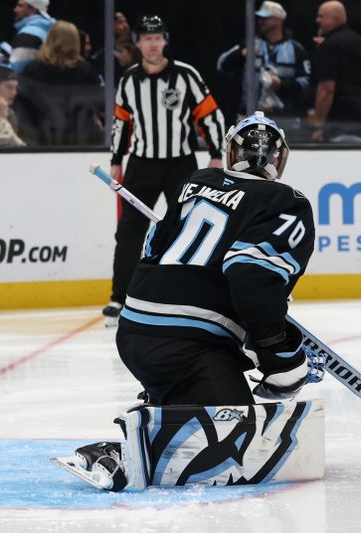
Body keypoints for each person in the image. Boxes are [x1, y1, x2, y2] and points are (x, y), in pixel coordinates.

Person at [67, 112, 315, 490]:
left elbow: (154, 247)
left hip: (135, 332)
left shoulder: (198, 181)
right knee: (236, 446)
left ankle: (160, 404)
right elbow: (251, 276)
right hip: (189, 346)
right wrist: (277, 356)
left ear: (232, 152)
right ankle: (129, 452)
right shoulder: (286, 200)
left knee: (219, 410)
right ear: (279, 158)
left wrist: (244, 330)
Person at [103, 14, 226, 324]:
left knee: (186, 229)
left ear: (165, 41)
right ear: (138, 43)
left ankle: (185, 293)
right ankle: (120, 297)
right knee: (130, 231)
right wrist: (117, 159)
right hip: (141, 164)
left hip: (180, 164)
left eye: (157, 38)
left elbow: (209, 114)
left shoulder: (186, 75)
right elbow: (122, 122)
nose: (152, 43)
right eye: (147, 38)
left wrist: (216, 154)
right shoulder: (129, 80)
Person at [216, 1, 310, 121]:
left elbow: (304, 85)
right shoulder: (250, 44)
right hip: (249, 114)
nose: (260, 21)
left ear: (278, 19)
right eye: (259, 18)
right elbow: (221, 65)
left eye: (265, 18)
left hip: (284, 116)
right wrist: (241, 55)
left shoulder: (296, 50)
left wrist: (281, 84)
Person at [17, 20, 104, 146]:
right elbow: (98, 101)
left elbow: (24, 103)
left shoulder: (33, 69)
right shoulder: (85, 70)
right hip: (79, 137)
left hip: (42, 136)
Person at [308, 1, 361, 141]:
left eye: (321, 16)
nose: (317, 20)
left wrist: (319, 124)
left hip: (339, 114)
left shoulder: (329, 45)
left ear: (334, 19)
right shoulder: (359, 41)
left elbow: (326, 89)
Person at [8, 0, 55, 74]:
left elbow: (16, 70)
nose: (15, 10)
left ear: (32, 9)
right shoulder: (46, 28)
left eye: (20, 6)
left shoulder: (29, 33)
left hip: (27, 83)